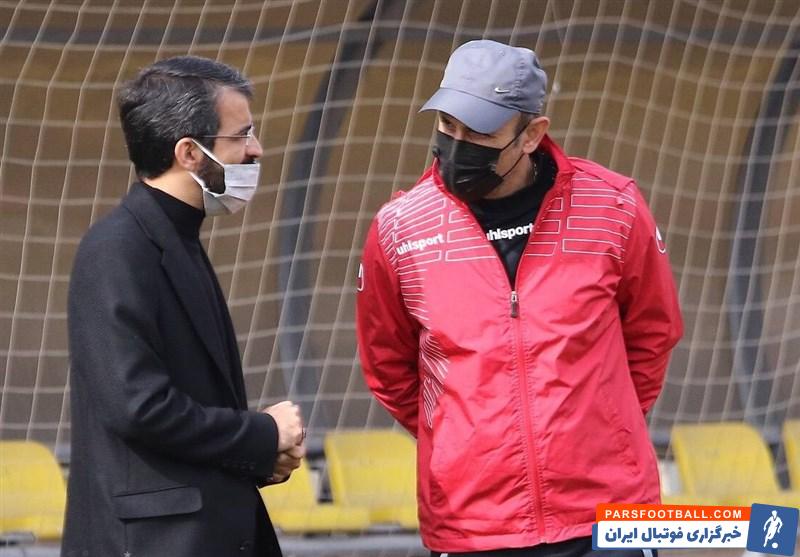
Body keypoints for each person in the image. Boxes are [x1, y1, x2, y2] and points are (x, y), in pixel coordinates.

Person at [356, 40, 683, 557]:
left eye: (480, 133)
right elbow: (388, 366)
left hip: (610, 514)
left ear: (532, 134)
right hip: (474, 523)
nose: (457, 145)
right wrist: (466, 440)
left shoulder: (612, 206)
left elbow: (653, 333)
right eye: (447, 125)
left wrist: (602, 426)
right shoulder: (401, 228)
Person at [64, 56, 304, 557]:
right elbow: (140, 408)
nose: (256, 149)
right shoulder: (117, 248)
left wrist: (263, 457)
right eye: (242, 135)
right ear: (190, 153)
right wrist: (261, 434)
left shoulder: (174, 239)